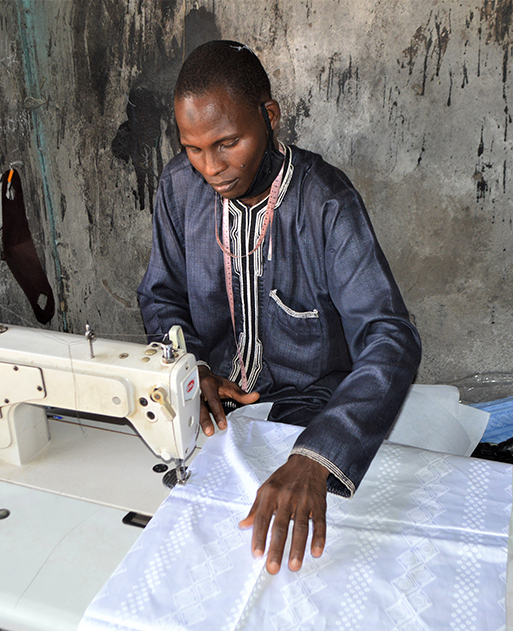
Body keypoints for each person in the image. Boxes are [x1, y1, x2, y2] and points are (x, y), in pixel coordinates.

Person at [137, 41, 421, 575]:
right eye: (194, 148)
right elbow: (161, 295)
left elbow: (390, 337)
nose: (211, 168)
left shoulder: (325, 203)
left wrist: (317, 456)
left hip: (310, 407)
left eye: (228, 143)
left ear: (269, 117)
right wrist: (193, 366)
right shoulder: (178, 187)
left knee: (300, 566)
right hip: (217, 406)